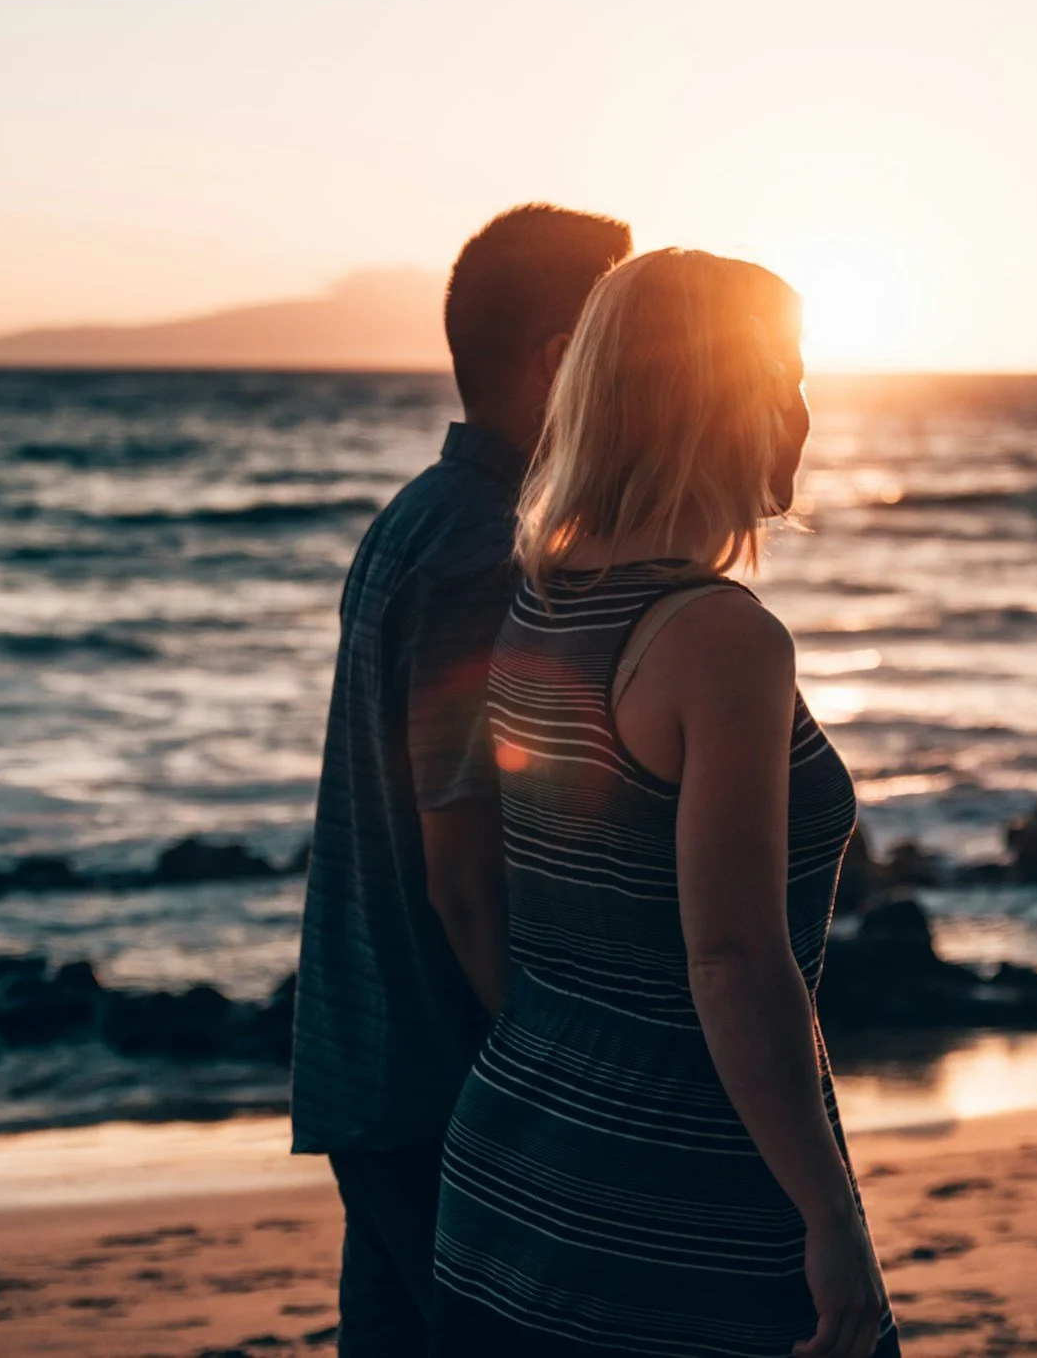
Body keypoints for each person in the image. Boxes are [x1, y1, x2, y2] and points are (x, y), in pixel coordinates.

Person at [431, 249, 902, 1358]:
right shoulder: (721, 640)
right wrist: (832, 1216)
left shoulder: (540, 602)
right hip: (676, 1210)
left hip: (509, 1179)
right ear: (708, 401)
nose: (799, 407)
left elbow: (505, 896)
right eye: (779, 373)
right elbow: (732, 959)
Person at [292, 204, 633, 1358]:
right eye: (617, 349)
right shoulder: (484, 548)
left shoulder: (418, 518)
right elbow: (464, 870)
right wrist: (546, 1082)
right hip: (447, 1082)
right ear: (557, 364)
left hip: (374, 1056)